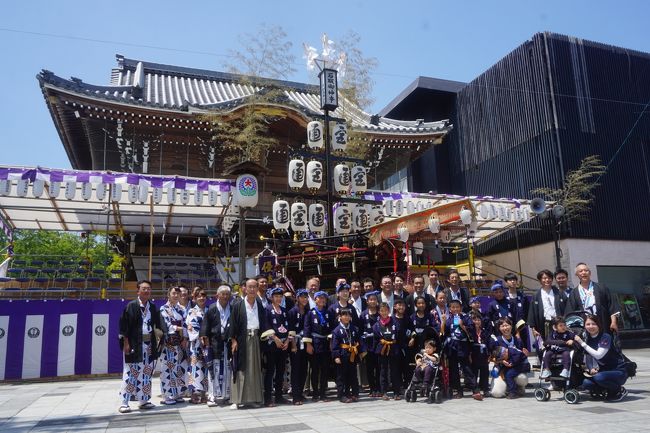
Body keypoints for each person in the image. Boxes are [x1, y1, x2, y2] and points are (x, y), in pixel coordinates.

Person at [118, 280, 163, 413]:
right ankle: (124, 402)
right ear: (138, 291)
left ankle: (144, 400)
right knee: (131, 373)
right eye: (144, 289)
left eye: (149, 289)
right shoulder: (131, 306)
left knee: (147, 373)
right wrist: (126, 343)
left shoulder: (153, 307)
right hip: (134, 344)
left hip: (149, 345)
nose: (147, 291)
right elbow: (124, 327)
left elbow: (158, 326)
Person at [228, 278, 266, 409]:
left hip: (256, 339)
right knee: (239, 369)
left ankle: (254, 399)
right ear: (244, 288)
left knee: (255, 369)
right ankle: (236, 400)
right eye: (249, 287)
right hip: (242, 340)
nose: (252, 290)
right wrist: (233, 340)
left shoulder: (259, 305)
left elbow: (264, 324)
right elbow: (232, 324)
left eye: (254, 287)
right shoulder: (238, 305)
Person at [574, 314, 628, 401]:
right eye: (588, 324)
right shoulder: (589, 339)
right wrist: (591, 368)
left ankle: (618, 390)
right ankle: (605, 390)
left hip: (618, 371)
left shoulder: (605, 337)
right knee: (586, 383)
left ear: (599, 325)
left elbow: (599, 355)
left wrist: (582, 343)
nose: (591, 326)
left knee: (599, 377)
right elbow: (588, 357)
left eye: (594, 324)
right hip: (604, 371)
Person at [442, 299, 481, 400]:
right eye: (453, 307)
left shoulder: (466, 317)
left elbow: (472, 330)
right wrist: (443, 322)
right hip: (452, 347)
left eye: (457, 307)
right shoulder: (449, 319)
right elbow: (444, 333)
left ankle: (475, 390)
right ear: (450, 309)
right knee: (454, 370)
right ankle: (459, 391)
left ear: (461, 308)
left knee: (467, 369)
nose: (455, 309)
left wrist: (462, 326)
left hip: (463, 347)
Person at [200, 284, 232, 406]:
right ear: (217, 295)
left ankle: (227, 395)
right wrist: (206, 342)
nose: (225, 296)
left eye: (227, 294)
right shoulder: (212, 308)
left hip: (228, 343)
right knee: (214, 371)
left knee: (228, 370)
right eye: (222, 294)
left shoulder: (233, 307)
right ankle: (212, 396)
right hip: (215, 343)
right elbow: (205, 328)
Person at [565, 263, 620, 333]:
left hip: (603, 323)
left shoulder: (601, 287)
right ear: (577, 274)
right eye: (581, 271)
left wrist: (614, 322)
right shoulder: (574, 293)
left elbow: (612, 306)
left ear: (590, 273)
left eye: (586, 270)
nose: (584, 273)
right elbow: (570, 312)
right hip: (585, 327)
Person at [261, 287, 291, 406]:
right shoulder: (267, 310)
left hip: (283, 344)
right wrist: (275, 339)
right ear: (271, 297)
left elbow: (289, 327)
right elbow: (266, 326)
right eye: (276, 296)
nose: (278, 298)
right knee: (270, 371)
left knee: (281, 371)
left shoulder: (284, 310)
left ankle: (279, 396)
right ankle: (268, 398)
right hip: (272, 344)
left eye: (280, 296)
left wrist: (288, 340)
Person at [303, 291, 333, 402]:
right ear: (315, 300)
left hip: (325, 343)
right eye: (319, 298)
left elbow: (331, 329)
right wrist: (308, 344)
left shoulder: (328, 312)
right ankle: (315, 393)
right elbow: (307, 329)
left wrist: (331, 342)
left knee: (325, 369)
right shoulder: (310, 313)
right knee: (314, 369)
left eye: (324, 298)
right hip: (315, 343)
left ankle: (323, 393)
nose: (322, 300)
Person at [159, 286, 188, 405]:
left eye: (177, 293)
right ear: (168, 295)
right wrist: (179, 328)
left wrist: (184, 336)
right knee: (167, 368)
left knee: (178, 367)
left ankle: (177, 393)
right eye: (173, 293)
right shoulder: (163, 308)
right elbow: (165, 325)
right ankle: (167, 395)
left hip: (180, 341)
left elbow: (186, 323)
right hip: (169, 342)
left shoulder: (181, 309)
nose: (176, 295)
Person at [331, 308, 366, 403]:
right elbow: (334, 345)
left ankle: (353, 393)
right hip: (342, 355)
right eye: (344, 315)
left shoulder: (353, 328)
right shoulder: (337, 330)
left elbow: (359, 340)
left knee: (353, 375)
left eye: (348, 315)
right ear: (340, 317)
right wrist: (336, 356)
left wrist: (362, 350)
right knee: (341, 376)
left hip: (353, 355)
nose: (346, 317)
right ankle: (341, 395)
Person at [528, 269, 567, 342]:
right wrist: (533, 328)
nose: (547, 280)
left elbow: (566, 308)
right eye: (544, 278)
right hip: (544, 324)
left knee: (561, 343)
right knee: (547, 344)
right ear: (540, 280)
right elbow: (532, 313)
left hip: (559, 323)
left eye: (549, 278)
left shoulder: (559, 292)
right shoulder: (536, 295)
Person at [373, 302, 402, 400]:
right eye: (382, 311)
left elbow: (398, 334)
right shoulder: (376, 325)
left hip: (393, 348)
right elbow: (376, 339)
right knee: (383, 371)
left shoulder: (394, 322)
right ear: (379, 312)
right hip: (382, 349)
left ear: (389, 311)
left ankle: (396, 392)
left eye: (385, 310)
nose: (384, 312)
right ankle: (384, 392)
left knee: (394, 370)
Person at [186, 286, 209, 404]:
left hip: (207, 345)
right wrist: (201, 337)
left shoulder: (209, 310)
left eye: (203, 295)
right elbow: (191, 327)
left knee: (205, 368)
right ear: (194, 298)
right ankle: (194, 393)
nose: (201, 298)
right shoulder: (191, 311)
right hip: (196, 345)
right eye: (198, 295)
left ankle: (205, 393)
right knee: (195, 368)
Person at [288, 289, 309, 405]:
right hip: (295, 343)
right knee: (296, 369)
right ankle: (295, 396)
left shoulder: (307, 311)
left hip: (305, 342)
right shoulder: (292, 311)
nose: (304, 299)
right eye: (302, 297)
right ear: (297, 298)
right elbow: (290, 330)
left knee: (304, 369)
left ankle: (300, 392)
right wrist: (293, 345)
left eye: (306, 297)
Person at [360, 291, 381, 397]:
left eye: (374, 299)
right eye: (370, 300)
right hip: (368, 346)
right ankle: (372, 388)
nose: (373, 301)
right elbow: (360, 332)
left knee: (379, 368)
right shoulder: (363, 314)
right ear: (367, 301)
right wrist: (363, 348)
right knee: (369, 368)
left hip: (379, 345)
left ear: (377, 301)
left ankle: (379, 388)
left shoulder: (380, 313)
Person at [469, 311, 491, 397]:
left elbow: (489, 344)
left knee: (485, 373)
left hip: (484, 355)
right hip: (474, 355)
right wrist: (469, 355)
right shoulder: (470, 332)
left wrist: (489, 355)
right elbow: (468, 345)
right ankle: (475, 389)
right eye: (474, 320)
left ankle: (485, 389)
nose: (477, 322)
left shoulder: (485, 332)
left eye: (478, 320)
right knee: (474, 373)